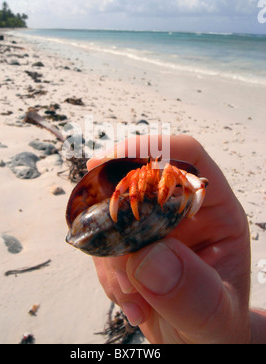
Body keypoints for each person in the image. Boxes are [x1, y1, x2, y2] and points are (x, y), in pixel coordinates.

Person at [87, 135, 266, 344]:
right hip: (133, 191)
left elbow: (196, 186)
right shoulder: (138, 173)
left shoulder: (168, 171)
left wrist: (242, 331)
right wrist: (245, 333)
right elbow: (122, 188)